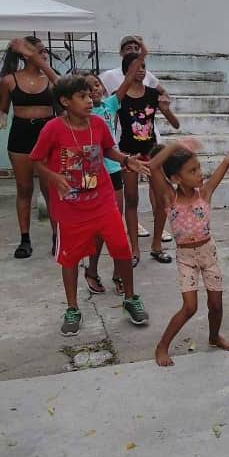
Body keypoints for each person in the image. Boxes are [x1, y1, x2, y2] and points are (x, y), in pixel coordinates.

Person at [29, 76, 150, 336]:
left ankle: (130, 297)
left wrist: (127, 161)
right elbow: (36, 161)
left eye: (89, 95)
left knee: (121, 247)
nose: (89, 100)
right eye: (82, 97)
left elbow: (109, 151)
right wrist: (53, 177)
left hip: (102, 200)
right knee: (70, 258)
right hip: (70, 208)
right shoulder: (53, 128)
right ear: (65, 101)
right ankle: (72, 308)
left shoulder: (97, 123)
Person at [149, 132, 229, 366]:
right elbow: (153, 166)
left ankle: (213, 337)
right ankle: (162, 346)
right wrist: (175, 145)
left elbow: (226, 161)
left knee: (216, 304)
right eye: (192, 171)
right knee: (190, 307)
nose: (200, 173)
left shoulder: (206, 193)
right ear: (175, 178)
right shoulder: (170, 197)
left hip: (208, 253)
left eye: (199, 168)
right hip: (186, 257)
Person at [81, 52, 142, 294]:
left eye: (96, 84)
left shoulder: (110, 104)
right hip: (91, 173)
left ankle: (118, 272)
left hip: (114, 168)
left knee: (115, 224)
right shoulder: (82, 114)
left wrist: (139, 57)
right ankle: (92, 269)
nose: (94, 90)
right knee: (97, 227)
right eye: (86, 89)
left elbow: (127, 81)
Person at [100, 35, 169, 241]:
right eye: (128, 46)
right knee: (131, 196)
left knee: (156, 189)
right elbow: (102, 97)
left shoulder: (147, 76)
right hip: (125, 140)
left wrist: (163, 102)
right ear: (121, 53)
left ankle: (159, 230)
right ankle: (134, 229)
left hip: (149, 139)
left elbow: (161, 92)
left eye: (136, 46)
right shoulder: (111, 77)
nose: (132, 49)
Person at [117, 51, 180, 266]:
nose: (141, 70)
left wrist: (166, 109)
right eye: (136, 67)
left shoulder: (153, 94)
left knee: (162, 198)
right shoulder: (120, 96)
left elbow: (176, 124)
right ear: (127, 71)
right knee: (132, 200)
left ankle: (156, 245)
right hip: (129, 154)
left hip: (152, 153)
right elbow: (109, 122)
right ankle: (134, 249)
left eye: (144, 66)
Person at [0, 37, 59, 258]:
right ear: (25, 54)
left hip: (47, 134)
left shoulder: (51, 79)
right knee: (24, 189)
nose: (44, 55)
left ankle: (57, 235)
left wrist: (40, 60)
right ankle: (25, 239)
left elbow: (63, 87)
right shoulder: (9, 80)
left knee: (50, 189)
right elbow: (3, 112)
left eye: (44, 52)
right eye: (40, 51)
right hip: (21, 135)